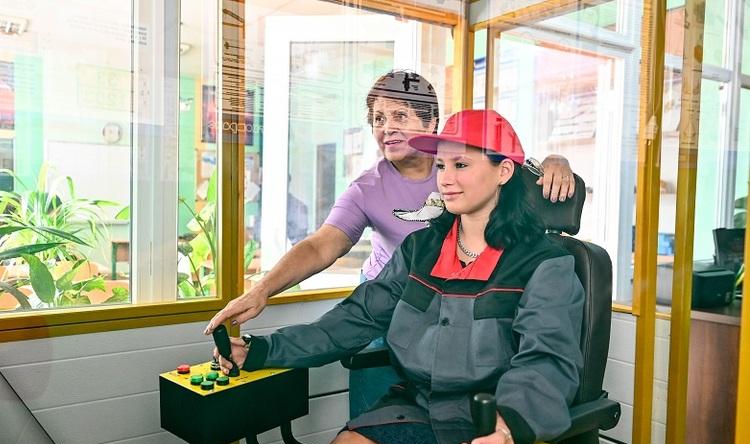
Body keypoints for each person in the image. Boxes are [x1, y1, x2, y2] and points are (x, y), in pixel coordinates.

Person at [214, 109, 585, 444]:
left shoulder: (543, 263)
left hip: (479, 420)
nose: (445, 178)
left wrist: (509, 426)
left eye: (461, 164)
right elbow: (356, 318)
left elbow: (547, 359)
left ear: (504, 172)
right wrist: (262, 349)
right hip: (413, 402)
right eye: (441, 165)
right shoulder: (420, 248)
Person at [204, 70, 577, 419]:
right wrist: (262, 294)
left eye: (400, 115)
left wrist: (554, 162)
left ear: (432, 124)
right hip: (392, 300)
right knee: (367, 430)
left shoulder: (472, 174)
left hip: (468, 312)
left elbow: (509, 167)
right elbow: (321, 247)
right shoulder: (376, 197)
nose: (387, 128)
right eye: (378, 119)